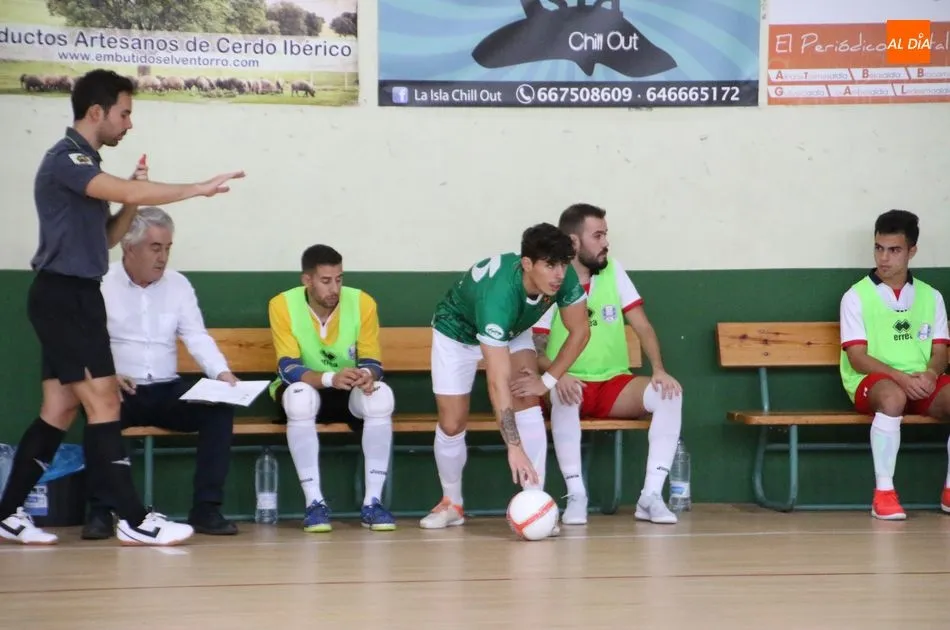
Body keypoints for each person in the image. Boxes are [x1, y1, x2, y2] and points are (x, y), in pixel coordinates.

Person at [0, 68, 244, 546]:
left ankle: (7, 512)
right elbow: (129, 194)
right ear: (97, 112)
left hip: (71, 293)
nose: (129, 124)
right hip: (65, 296)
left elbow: (108, 237)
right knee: (106, 401)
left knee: (58, 408)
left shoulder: (85, 164)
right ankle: (133, 518)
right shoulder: (68, 159)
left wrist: (129, 197)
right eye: (124, 113)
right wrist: (195, 188)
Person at [81, 206, 239, 540]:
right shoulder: (101, 282)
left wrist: (222, 374)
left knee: (219, 410)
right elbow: (86, 339)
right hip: (122, 387)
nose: (163, 257)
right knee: (99, 410)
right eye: (156, 248)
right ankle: (100, 510)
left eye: (168, 248)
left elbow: (196, 336)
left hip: (168, 389)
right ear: (129, 247)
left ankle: (206, 509)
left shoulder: (178, 285)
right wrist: (107, 374)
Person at [419, 222, 590, 529]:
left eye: (563, 265)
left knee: (526, 397)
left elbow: (580, 332)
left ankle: (536, 503)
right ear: (527, 264)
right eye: (550, 266)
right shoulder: (498, 296)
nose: (559, 275)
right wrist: (513, 446)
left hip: (512, 329)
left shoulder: (562, 280)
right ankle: (451, 503)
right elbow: (497, 381)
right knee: (452, 422)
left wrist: (546, 381)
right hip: (456, 332)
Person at [532, 204, 683, 525]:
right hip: (571, 383)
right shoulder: (554, 278)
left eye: (605, 235)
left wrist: (658, 369)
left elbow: (642, 326)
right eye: (597, 235)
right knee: (563, 393)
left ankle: (651, 496)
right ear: (573, 242)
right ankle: (576, 495)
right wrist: (559, 375)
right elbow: (535, 348)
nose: (605, 242)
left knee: (670, 394)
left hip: (614, 384)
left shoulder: (614, 270)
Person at [267, 245, 396, 533]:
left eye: (339, 279)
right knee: (299, 399)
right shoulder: (281, 304)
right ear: (307, 280)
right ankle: (315, 503)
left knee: (381, 397)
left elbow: (374, 362)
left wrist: (365, 374)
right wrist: (329, 378)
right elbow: (288, 368)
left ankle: (372, 503)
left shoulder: (363, 302)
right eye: (326, 281)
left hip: (347, 389)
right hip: (304, 388)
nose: (334, 288)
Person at [839, 209, 950, 520]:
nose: (884, 258)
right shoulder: (855, 296)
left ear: (912, 251)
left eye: (894, 250)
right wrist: (901, 378)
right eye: (879, 248)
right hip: (872, 382)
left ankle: (949, 492)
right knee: (893, 397)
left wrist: (930, 374)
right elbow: (857, 358)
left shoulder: (931, 296)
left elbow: (941, 351)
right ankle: (884, 493)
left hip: (920, 382)